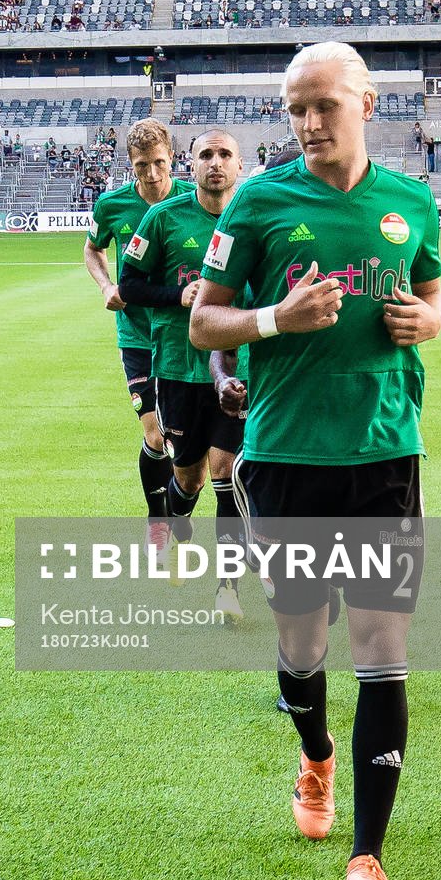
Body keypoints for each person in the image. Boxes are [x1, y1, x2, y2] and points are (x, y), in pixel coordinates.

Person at [190, 42, 441, 880]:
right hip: (288, 458)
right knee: (302, 647)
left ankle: (366, 859)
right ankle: (315, 755)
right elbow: (202, 325)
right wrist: (275, 317)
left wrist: (429, 319)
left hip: (384, 455)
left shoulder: (411, 201)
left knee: (383, 651)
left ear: (366, 102)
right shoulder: (259, 201)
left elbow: (434, 295)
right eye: (295, 107)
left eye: (323, 105)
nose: (307, 123)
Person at [116, 128, 248, 621]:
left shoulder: (253, 216)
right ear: (189, 165)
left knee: (227, 474)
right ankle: (172, 522)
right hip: (175, 367)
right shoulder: (162, 217)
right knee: (188, 479)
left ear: (240, 164)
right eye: (205, 155)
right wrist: (178, 296)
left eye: (225, 155)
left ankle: (228, 588)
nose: (216, 163)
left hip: (236, 370)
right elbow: (129, 286)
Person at [84, 118, 191, 546]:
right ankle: (157, 519)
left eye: (159, 163)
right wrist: (107, 285)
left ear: (172, 159)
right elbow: (92, 248)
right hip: (137, 337)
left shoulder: (195, 199)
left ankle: (181, 502)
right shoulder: (112, 205)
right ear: (130, 163)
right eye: (141, 165)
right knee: (155, 434)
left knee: (188, 447)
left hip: (184, 338)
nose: (151, 174)